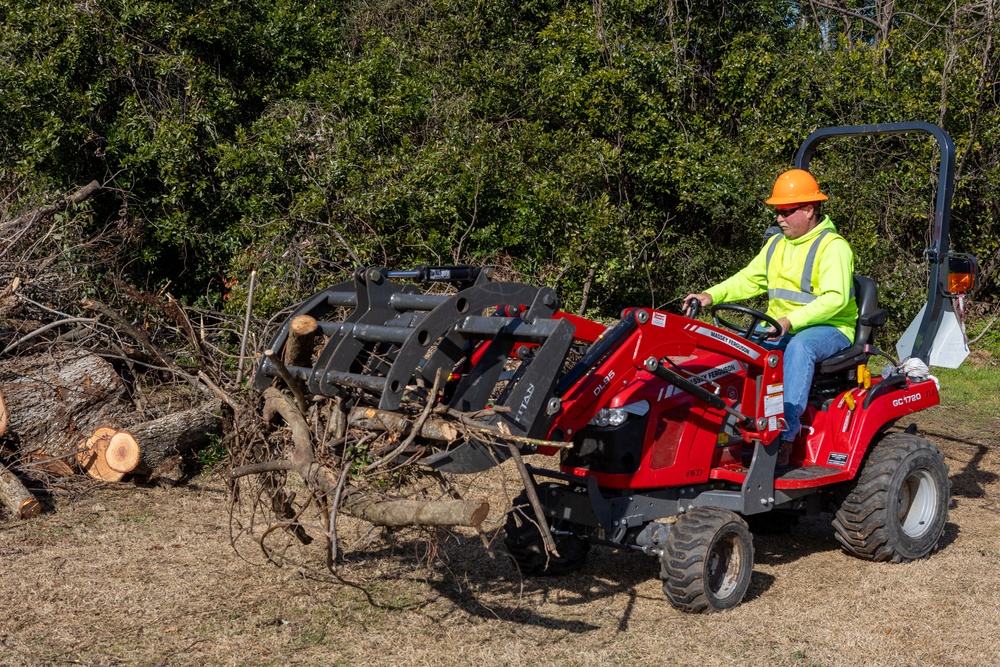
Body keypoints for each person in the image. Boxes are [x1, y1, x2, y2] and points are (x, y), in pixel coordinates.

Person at [684, 169, 858, 466]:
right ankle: (728, 424)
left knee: (799, 347)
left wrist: (792, 320)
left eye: (786, 212)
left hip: (831, 327)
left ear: (808, 210)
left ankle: (784, 436)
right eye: (777, 212)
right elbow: (748, 279)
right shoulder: (777, 244)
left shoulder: (833, 247)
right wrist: (710, 295)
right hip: (782, 325)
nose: (779, 218)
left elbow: (835, 298)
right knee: (738, 346)